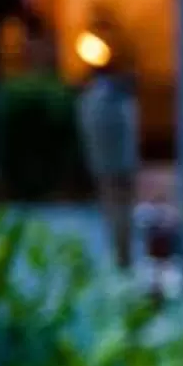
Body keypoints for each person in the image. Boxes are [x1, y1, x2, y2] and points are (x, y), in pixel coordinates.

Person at [73, 44, 142, 271]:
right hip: (119, 164)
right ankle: (123, 257)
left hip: (107, 166)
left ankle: (122, 257)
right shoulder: (118, 99)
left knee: (115, 213)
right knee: (122, 214)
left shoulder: (91, 100)